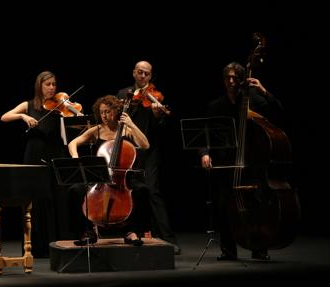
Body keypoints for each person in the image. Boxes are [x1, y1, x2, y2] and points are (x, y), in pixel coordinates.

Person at [200, 62, 284, 261]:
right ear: (223, 80)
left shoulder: (253, 100)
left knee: (257, 207)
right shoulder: (215, 105)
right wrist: (205, 153)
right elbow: (205, 134)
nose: (231, 81)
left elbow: (279, 110)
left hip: (252, 164)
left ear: (242, 80)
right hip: (226, 164)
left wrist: (263, 90)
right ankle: (228, 251)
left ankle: (259, 249)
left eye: (235, 78)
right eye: (228, 78)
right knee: (224, 208)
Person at [67, 95, 151, 246]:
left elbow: (145, 145)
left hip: (123, 177)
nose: (104, 116)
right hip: (101, 178)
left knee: (142, 190)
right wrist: (75, 156)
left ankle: (132, 231)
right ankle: (87, 231)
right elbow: (73, 143)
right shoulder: (97, 130)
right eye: (102, 112)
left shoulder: (126, 129)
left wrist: (131, 124)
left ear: (116, 111)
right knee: (75, 190)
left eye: (108, 112)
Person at [117, 60, 181, 255]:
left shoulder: (155, 97)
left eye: (146, 73)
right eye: (140, 72)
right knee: (129, 191)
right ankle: (132, 232)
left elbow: (161, 130)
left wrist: (157, 116)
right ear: (134, 73)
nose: (143, 76)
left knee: (152, 191)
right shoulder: (123, 94)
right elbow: (120, 118)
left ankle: (169, 239)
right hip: (128, 149)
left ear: (150, 76)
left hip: (149, 150)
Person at [1, 71, 67, 258]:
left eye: (54, 84)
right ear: (39, 86)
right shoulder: (28, 105)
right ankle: (36, 247)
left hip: (54, 153)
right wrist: (23, 117)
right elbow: (4, 117)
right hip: (34, 155)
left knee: (55, 197)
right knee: (34, 200)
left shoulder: (60, 106)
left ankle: (57, 244)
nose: (52, 88)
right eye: (48, 84)